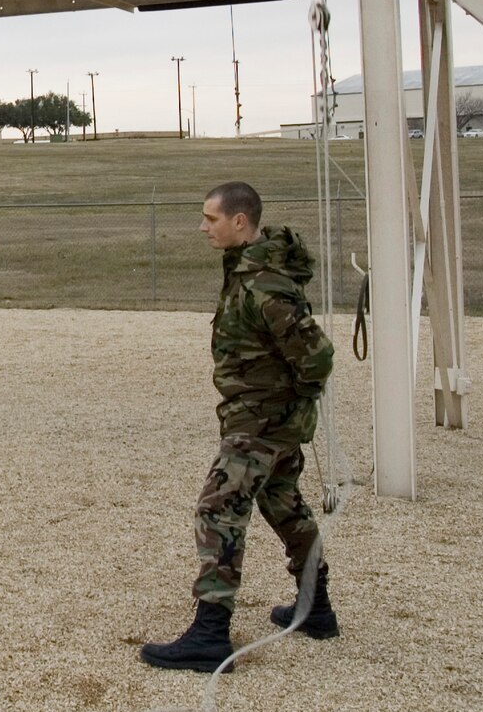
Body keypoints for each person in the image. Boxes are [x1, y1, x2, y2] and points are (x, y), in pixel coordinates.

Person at [140, 180, 339, 672]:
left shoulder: (263, 283)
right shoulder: (246, 272)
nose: (202, 227)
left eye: (210, 219)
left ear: (239, 222)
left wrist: (279, 406)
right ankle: (316, 609)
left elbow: (317, 359)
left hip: (261, 425)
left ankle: (210, 633)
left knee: (219, 508)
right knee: (285, 507)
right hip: (266, 421)